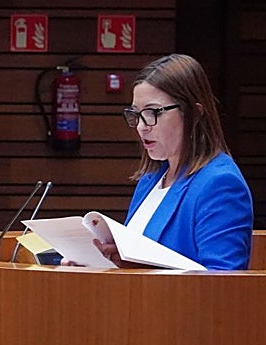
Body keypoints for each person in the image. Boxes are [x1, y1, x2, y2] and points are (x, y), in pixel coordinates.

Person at [107, 53, 253, 271]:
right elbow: (141, 265)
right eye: (136, 114)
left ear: (194, 113)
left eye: (153, 112)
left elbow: (224, 285)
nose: (141, 126)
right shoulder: (149, 181)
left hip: (180, 305)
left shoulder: (220, 184)